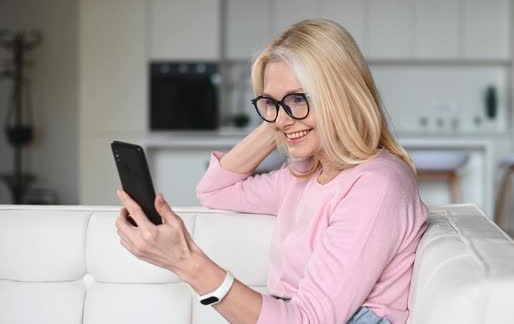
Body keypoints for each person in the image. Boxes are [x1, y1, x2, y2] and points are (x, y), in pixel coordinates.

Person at [115, 19, 428, 324]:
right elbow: (214, 191)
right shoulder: (305, 174)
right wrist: (285, 119)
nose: (278, 119)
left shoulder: (376, 184)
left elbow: (310, 320)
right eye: (270, 103)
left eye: (298, 98)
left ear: (340, 97)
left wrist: (185, 261)